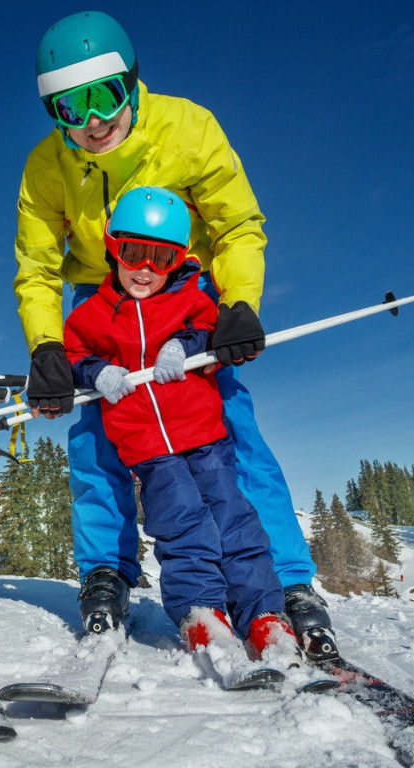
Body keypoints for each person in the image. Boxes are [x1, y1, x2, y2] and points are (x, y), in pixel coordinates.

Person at [14, 10, 337, 660]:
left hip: (182, 292)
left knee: (224, 428)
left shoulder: (188, 129)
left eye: (103, 97)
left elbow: (238, 224)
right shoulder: (47, 167)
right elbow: (37, 267)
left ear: (131, 82)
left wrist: (238, 303)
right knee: (98, 436)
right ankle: (105, 571)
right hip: (99, 301)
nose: (92, 122)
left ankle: (288, 583)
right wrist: (49, 348)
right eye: (69, 110)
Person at [62, 186, 299, 663]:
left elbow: (211, 332)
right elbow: (71, 355)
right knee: (181, 525)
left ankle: (262, 614)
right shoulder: (92, 314)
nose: (145, 269)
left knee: (235, 521)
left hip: (206, 439)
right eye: (134, 253)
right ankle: (201, 611)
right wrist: (96, 372)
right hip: (148, 449)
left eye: (162, 258)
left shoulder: (191, 299)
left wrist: (185, 346)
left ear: (179, 260)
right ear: (112, 247)